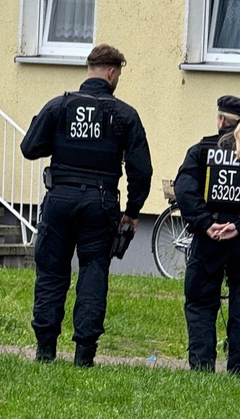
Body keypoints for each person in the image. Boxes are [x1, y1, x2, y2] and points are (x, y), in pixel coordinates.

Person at [20, 44, 153, 367]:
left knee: (51, 273)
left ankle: (45, 351)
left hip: (60, 198)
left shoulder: (59, 106)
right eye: (118, 73)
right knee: (93, 272)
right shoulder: (124, 114)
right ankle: (84, 355)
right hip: (100, 202)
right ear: (111, 72)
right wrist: (133, 212)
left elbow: (29, 147)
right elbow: (141, 170)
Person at [174, 95, 240, 376]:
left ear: (221, 120)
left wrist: (205, 222)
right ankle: (239, 372)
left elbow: (184, 188)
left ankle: (201, 367)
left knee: (199, 303)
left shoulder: (201, 150)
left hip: (209, 241)